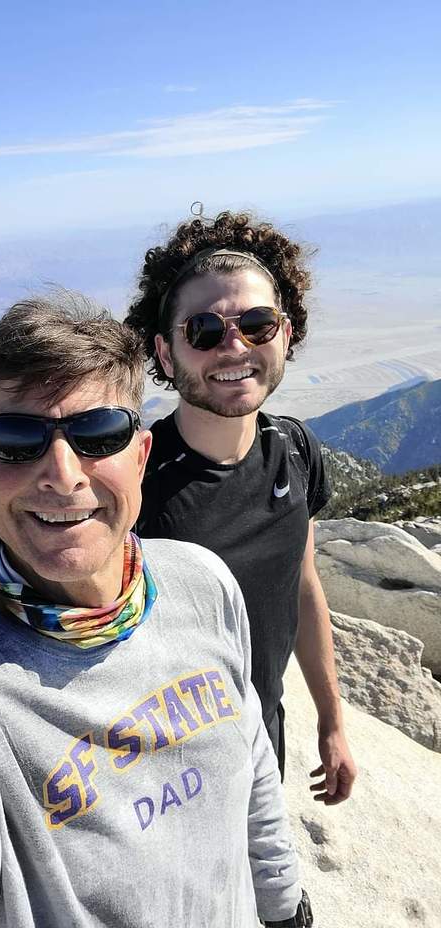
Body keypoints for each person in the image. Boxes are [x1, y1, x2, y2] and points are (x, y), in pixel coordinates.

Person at [0, 294, 311, 927]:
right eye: (15, 439)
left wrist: (286, 908)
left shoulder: (203, 583)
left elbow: (247, 759)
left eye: (96, 434)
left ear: (140, 454)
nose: (61, 473)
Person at [125, 207, 356, 801]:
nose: (234, 347)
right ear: (166, 351)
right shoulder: (133, 484)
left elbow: (301, 583)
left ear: (286, 334)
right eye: (204, 331)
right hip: (168, 776)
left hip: (262, 742)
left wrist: (331, 721)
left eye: (257, 324)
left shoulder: (296, 451)